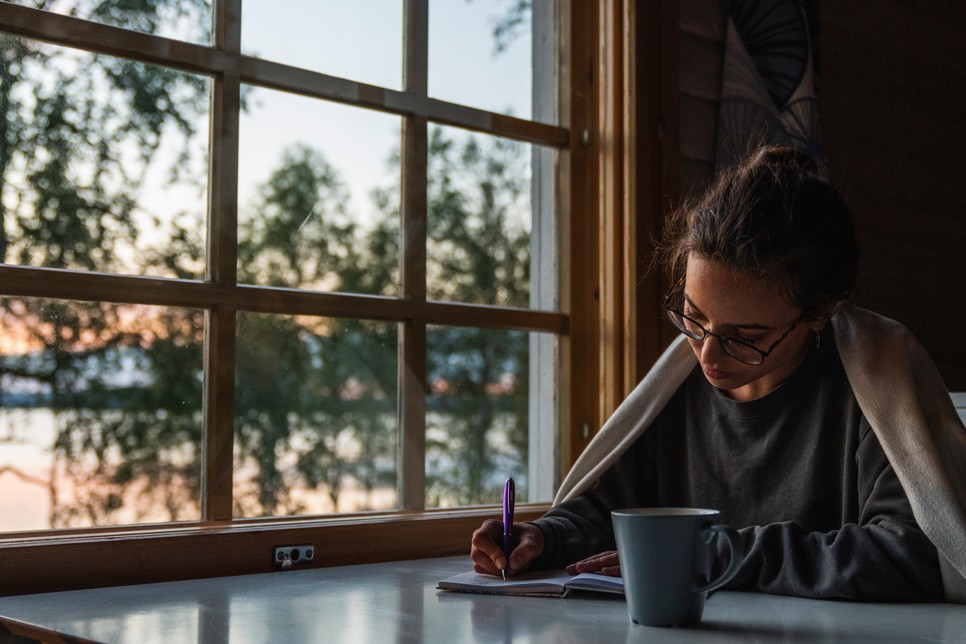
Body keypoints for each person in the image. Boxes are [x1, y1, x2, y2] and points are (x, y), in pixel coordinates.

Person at [471, 146, 966, 602]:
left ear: (820, 313)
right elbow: (611, 509)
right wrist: (546, 536)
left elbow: (914, 554)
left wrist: (714, 555)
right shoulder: (680, 387)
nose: (708, 354)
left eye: (745, 337)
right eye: (693, 316)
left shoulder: (876, 379)